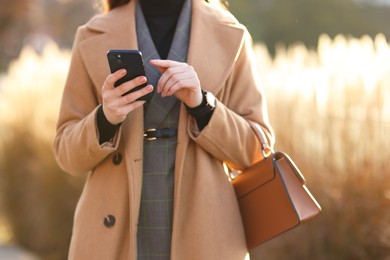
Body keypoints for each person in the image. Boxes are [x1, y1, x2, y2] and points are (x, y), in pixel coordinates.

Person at [53, 0, 274, 259]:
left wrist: (203, 105)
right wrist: (106, 118)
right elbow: (66, 154)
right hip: (114, 231)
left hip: (207, 232)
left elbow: (259, 150)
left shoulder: (230, 32)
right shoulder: (92, 34)